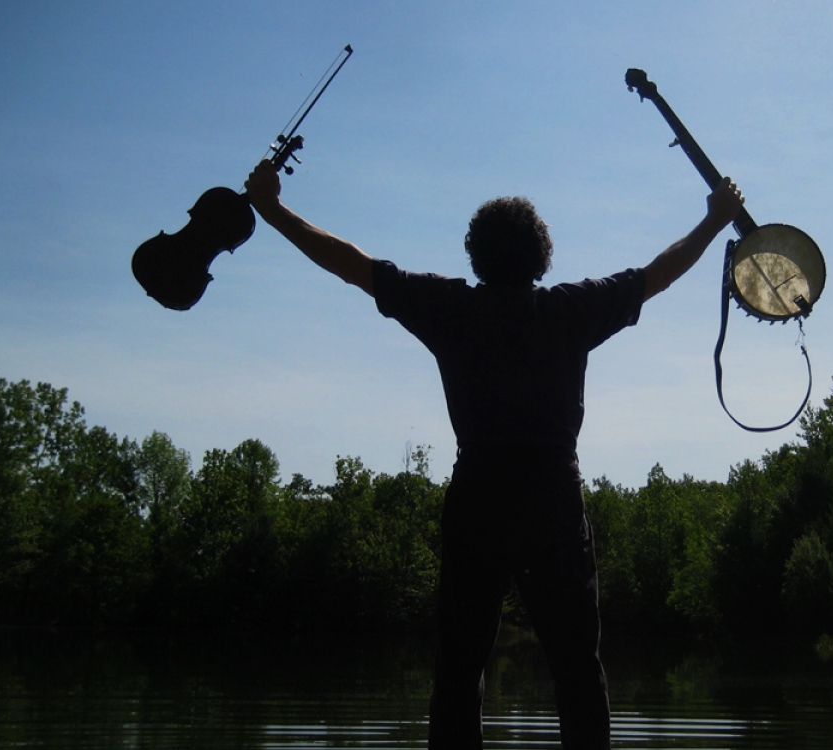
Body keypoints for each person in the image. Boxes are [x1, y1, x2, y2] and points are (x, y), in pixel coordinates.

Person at [245, 161, 743, 749]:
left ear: (476, 254)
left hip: (479, 495)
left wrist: (272, 209)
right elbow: (657, 275)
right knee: (578, 672)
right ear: (541, 254)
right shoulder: (570, 309)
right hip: (552, 501)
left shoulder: (450, 307)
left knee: (458, 673)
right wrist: (714, 221)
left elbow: (351, 263)